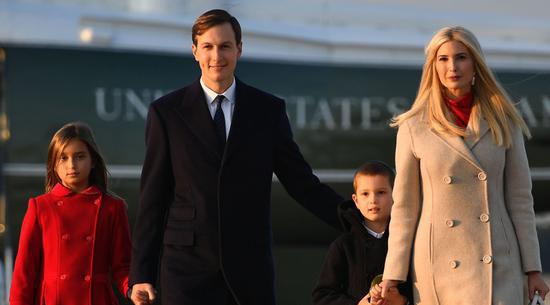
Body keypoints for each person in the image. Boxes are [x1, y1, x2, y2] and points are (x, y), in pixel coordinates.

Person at [128, 9, 344, 305]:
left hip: (249, 271)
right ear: (195, 52)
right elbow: (153, 198)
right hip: (185, 273)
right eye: (208, 47)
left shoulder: (267, 111)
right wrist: (142, 273)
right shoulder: (166, 113)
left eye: (225, 46)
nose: (216, 56)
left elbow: (302, 183)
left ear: (239, 50)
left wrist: (358, 220)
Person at [379, 26, 549, 305]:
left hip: (500, 265)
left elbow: (520, 199)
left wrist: (533, 270)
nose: (452, 67)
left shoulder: (503, 120)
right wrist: (392, 275)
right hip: (438, 266)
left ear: (475, 64)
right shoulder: (413, 126)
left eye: (461, 57)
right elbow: (405, 207)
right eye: (442, 59)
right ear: (432, 66)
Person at [9, 122, 132, 305]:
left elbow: (123, 266)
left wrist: (132, 289)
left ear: (93, 161)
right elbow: (24, 272)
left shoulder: (112, 207)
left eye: (80, 157)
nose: (72, 165)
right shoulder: (40, 207)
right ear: (53, 165)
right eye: (63, 158)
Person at [312, 161, 411, 305]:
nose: (373, 200)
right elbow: (322, 297)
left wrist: (402, 301)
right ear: (356, 201)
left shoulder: (410, 242)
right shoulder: (343, 246)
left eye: (381, 193)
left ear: (396, 195)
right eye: (365, 194)